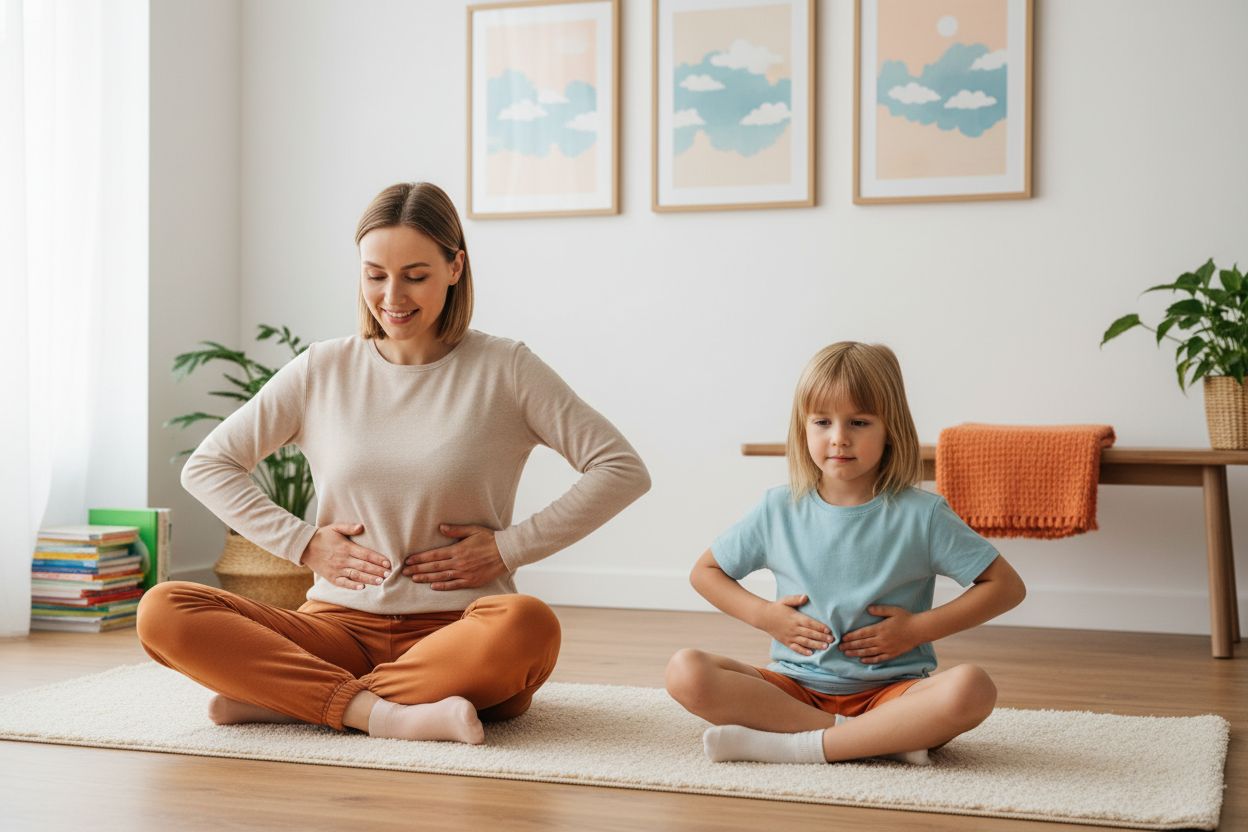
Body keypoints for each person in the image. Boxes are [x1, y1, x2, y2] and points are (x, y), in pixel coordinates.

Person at [138, 182, 650, 744]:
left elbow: (620, 467)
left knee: (528, 626)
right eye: (374, 274)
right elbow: (208, 465)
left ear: (455, 267)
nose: (392, 296)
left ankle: (299, 699)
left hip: (462, 629)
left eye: (415, 274)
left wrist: (509, 548)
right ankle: (384, 714)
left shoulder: (506, 369)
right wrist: (304, 544)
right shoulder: (322, 369)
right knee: (164, 608)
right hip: (337, 627)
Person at [665, 341, 1025, 765]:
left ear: (890, 428)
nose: (839, 438)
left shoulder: (922, 515)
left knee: (972, 688)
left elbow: (1005, 587)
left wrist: (916, 630)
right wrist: (766, 616)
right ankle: (869, 741)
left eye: (858, 421)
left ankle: (794, 746)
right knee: (685, 671)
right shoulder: (777, 508)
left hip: (893, 694)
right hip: (793, 688)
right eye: (822, 421)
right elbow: (705, 571)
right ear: (803, 428)